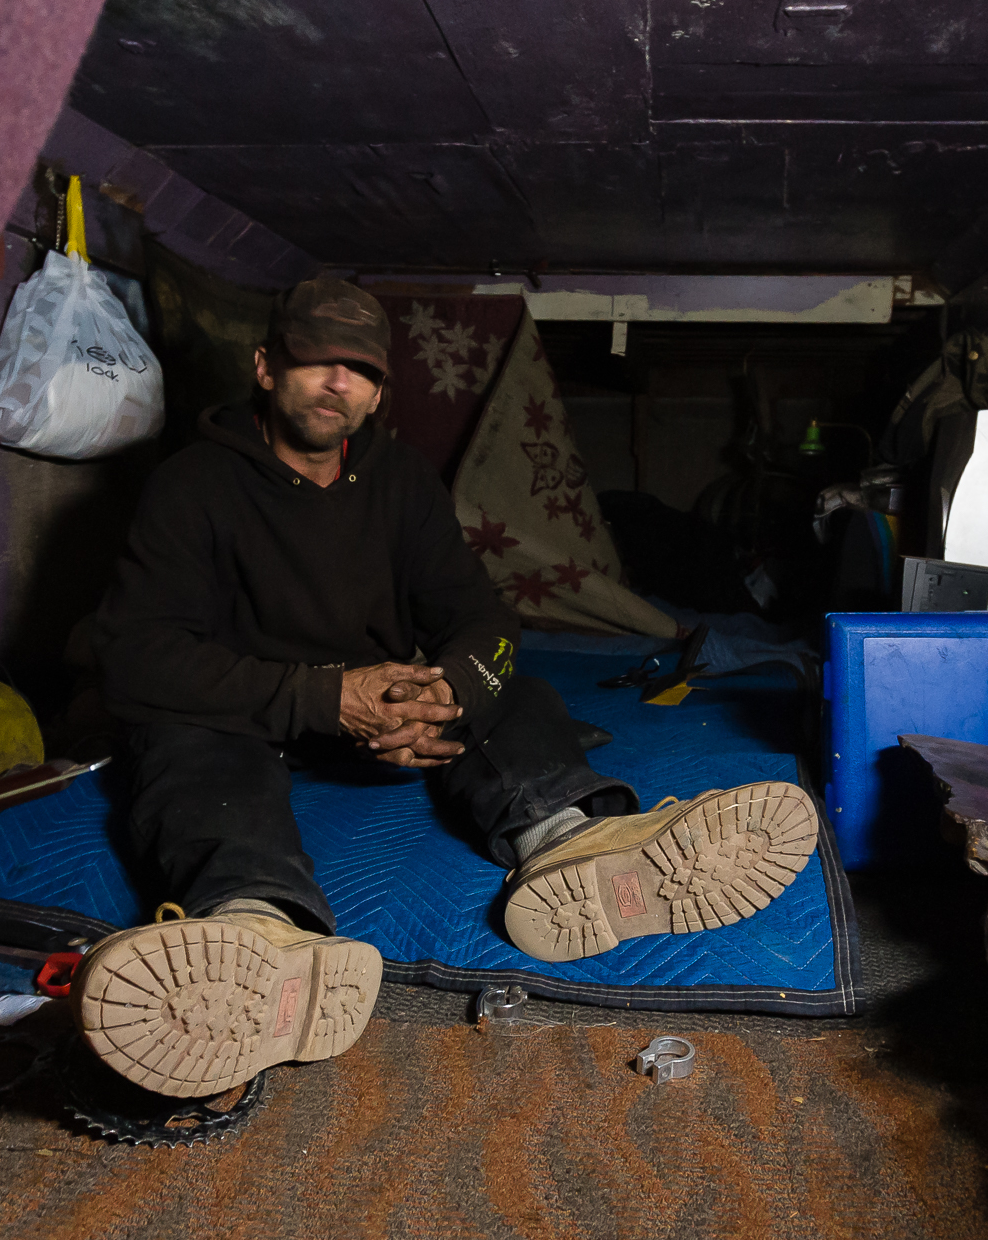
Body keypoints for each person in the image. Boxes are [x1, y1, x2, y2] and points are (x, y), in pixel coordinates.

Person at [71, 273, 818, 1098]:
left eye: (358, 370)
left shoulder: (400, 481)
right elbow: (135, 655)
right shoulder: (193, 484)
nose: (336, 383)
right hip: (248, 715)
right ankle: (258, 928)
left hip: (392, 722)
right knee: (180, 741)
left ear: (379, 391)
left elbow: (484, 615)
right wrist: (325, 697)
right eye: (313, 360)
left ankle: (565, 838)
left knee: (516, 691)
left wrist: (449, 691)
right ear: (265, 367)